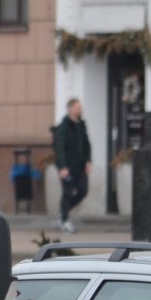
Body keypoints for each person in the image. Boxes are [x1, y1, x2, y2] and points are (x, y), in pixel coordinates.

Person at [52, 98, 91, 234]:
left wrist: (88, 161)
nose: (80, 109)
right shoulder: (63, 127)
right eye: (77, 107)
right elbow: (59, 148)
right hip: (67, 167)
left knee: (83, 190)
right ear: (70, 109)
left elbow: (87, 144)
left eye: (80, 107)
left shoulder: (81, 125)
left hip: (80, 166)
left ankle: (63, 212)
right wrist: (62, 166)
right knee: (68, 193)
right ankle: (64, 221)